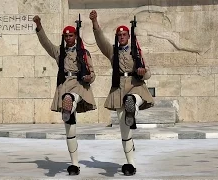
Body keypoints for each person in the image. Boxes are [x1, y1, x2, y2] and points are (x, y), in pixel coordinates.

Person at [89, 10, 154, 176]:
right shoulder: (113, 52)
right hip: (119, 89)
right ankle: (130, 164)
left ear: (128, 36)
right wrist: (95, 22)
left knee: (132, 100)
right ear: (117, 37)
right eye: (119, 35)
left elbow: (147, 74)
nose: (122, 37)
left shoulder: (137, 52)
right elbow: (100, 40)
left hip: (136, 85)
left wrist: (142, 72)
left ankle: (133, 109)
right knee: (125, 132)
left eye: (124, 34)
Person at [33, 15, 96, 176]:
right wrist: (39, 26)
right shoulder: (59, 52)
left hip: (79, 85)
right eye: (66, 36)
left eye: (71, 35)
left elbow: (92, 73)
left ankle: (69, 104)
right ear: (64, 37)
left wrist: (89, 77)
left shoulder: (83, 52)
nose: (68, 38)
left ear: (75, 36)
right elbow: (46, 43)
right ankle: (74, 164)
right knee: (70, 129)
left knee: (71, 97)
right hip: (64, 85)